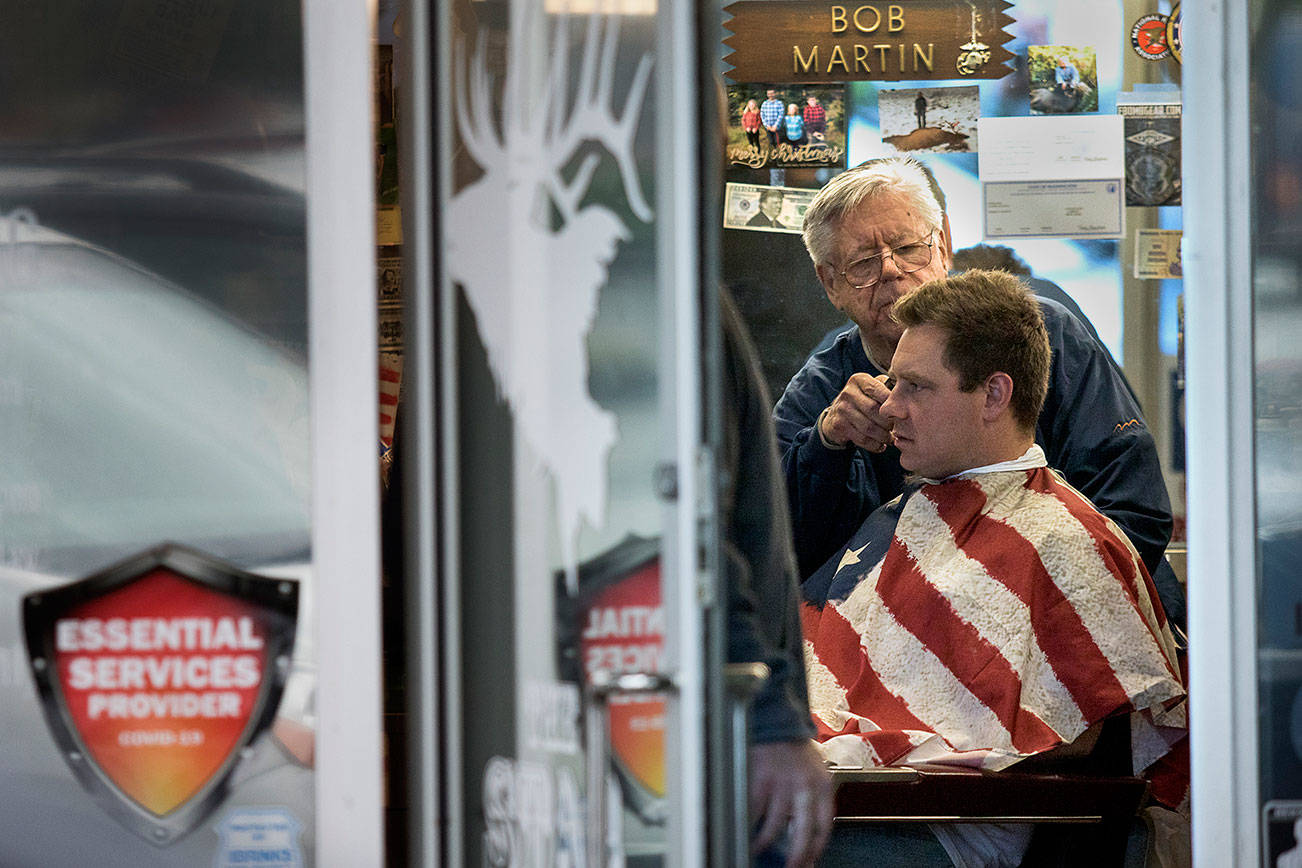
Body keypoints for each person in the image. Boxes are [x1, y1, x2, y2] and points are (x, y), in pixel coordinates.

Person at [803, 270, 1186, 868]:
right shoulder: (907, 513)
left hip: (961, 824)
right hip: (861, 798)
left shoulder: (1063, 538)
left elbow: (1087, 735)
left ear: (993, 395)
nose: (892, 407)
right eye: (892, 382)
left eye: (917, 387)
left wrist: (898, 748)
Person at [774, 157, 1175, 598]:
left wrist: (995, 618)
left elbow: (1134, 513)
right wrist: (825, 448)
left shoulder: (1040, 335)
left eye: (908, 248)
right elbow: (776, 552)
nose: (890, 270)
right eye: (864, 262)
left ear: (943, 243)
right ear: (830, 282)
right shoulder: (822, 393)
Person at [720, 286, 832, 867]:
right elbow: (695, 539)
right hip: (728, 713)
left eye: (916, 387)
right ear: (826, 279)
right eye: (860, 263)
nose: (893, 408)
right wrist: (772, 715)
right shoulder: (822, 381)